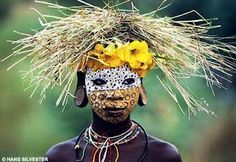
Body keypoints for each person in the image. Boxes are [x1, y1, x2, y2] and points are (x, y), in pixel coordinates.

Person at [45, 60, 182, 162]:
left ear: (140, 87)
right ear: (82, 86)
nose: (115, 94)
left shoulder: (162, 155)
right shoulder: (60, 156)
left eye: (127, 81)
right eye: (100, 82)